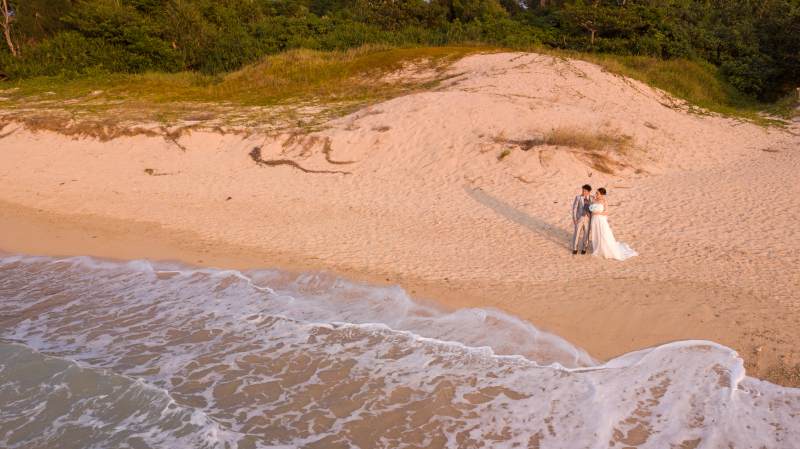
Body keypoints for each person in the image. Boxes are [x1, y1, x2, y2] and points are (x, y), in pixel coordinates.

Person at [590, 188, 638, 260]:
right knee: (596, 233)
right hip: (594, 219)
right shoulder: (593, 200)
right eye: (596, 193)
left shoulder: (604, 201)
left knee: (603, 234)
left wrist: (599, 213)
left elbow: (606, 212)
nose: (596, 194)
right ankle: (597, 247)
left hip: (601, 219)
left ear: (602, 194)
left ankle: (604, 249)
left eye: (597, 193)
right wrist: (592, 210)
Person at [571, 184, 594, 255]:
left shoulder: (592, 198)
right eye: (583, 191)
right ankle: (575, 248)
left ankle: (584, 248)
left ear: (589, 192)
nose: (583, 192)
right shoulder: (578, 197)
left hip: (588, 218)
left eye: (585, 191)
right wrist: (575, 219)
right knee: (577, 233)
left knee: (586, 234)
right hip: (580, 218)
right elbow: (574, 209)